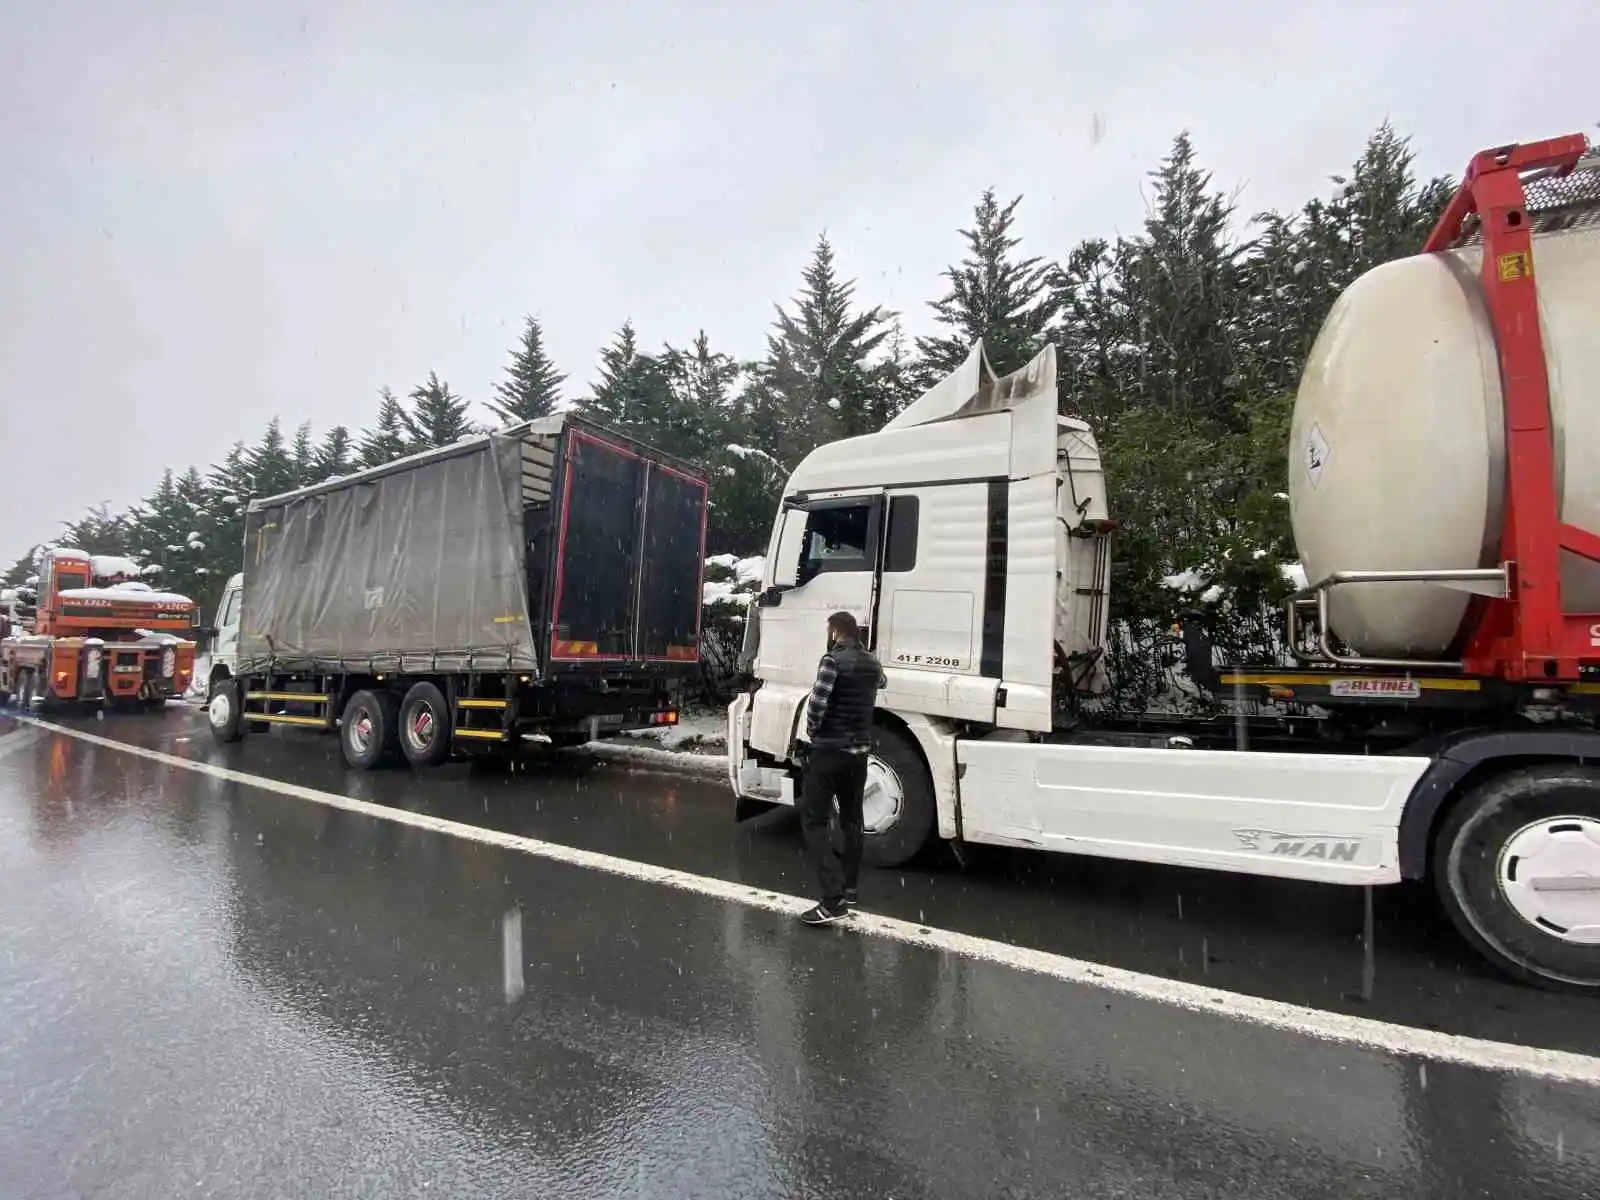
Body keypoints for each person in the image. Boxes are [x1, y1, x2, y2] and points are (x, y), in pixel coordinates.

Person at [798, 610, 884, 926]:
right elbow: (880, 683)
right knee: (852, 821)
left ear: (836, 632)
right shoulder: (873, 663)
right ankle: (849, 889)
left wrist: (813, 730)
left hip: (829, 751)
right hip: (858, 755)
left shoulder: (832, 660)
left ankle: (832, 901)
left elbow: (818, 702)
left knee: (815, 821)